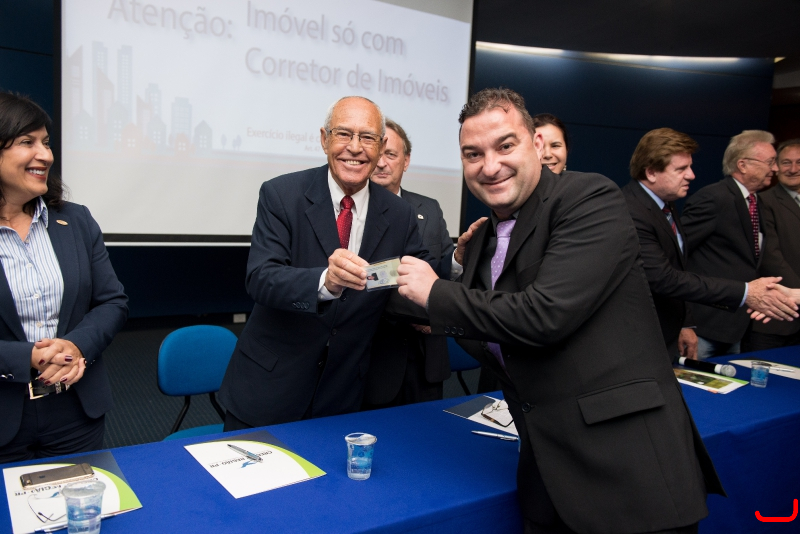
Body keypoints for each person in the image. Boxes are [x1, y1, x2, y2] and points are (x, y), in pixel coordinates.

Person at [396, 88, 723, 534]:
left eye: (505, 145)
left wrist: (436, 294)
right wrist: (350, 282)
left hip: (628, 474)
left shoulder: (589, 198)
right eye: (473, 154)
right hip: (547, 474)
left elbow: (544, 315)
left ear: (536, 144)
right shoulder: (484, 237)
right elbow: (482, 325)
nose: (489, 166)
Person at [218, 96, 432, 430]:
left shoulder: (400, 214)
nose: (355, 148)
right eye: (344, 134)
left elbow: (407, 282)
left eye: (367, 137)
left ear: (381, 146)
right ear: (324, 139)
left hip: (343, 393)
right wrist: (325, 283)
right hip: (270, 388)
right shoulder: (281, 194)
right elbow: (261, 277)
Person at [0, 93, 128, 463]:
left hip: (75, 410)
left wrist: (75, 346)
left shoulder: (75, 220)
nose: (45, 155)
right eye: (27, 142)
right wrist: (28, 357)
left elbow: (112, 302)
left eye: (46, 142)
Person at [623, 128, 797, 362]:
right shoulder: (633, 211)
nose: (691, 175)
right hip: (642, 335)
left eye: (690, 167)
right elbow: (664, 278)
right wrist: (746, 292)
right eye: (681, 169)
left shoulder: (666, 204)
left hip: (698, 325)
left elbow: (679, 264)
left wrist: (686, 322)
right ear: (651, 172)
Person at [681, 130, 797, 359]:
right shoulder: (714, 197)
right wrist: (685, 322)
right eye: (770, 162)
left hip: (736, 326)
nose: (775, 169)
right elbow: (677, 255)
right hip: (704, 325)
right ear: (743, 165)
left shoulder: (755, 201)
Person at [362, 119, 453, 408]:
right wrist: (423, 308)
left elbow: (441, 271)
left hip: (426, 356)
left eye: (391, 154)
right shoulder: (352, 211)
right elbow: (364, 279)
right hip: (376, 357)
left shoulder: (430, 208)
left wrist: (458, 260)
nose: (382, 163)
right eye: (378, 154)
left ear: (406, 161)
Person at [749, 139, 800, 349]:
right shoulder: (763, 201)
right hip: (777, 316)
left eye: (799, 162)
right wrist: (798, 293)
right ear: (776, 166)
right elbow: (770, 255)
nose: (793, 169)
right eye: (786, 162)